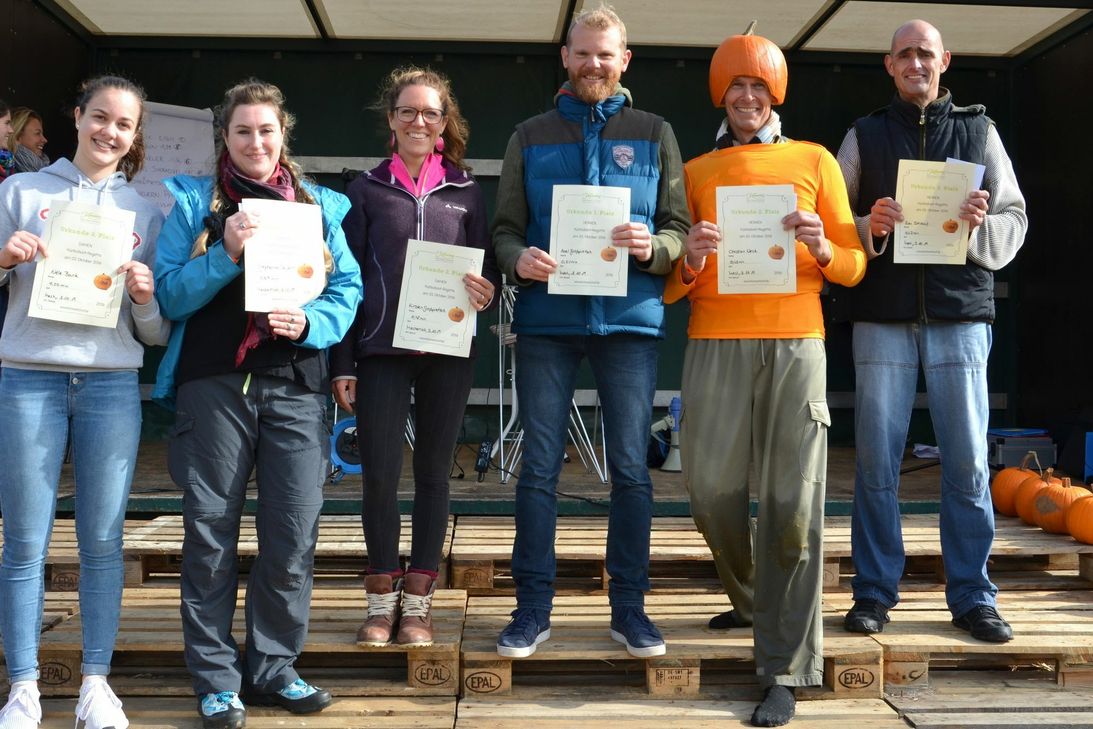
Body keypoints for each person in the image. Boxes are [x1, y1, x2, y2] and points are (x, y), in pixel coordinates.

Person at [665, 30, 866, 727]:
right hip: (714, 340)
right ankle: (755, 603)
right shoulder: (692, 171)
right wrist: (687, 259)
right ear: (720, 97)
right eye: (734, 88)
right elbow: (665, 286)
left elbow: (852, 262)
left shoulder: (812, 161)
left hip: (795, 341)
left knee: (793, 506)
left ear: (773, 94)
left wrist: (820, 245)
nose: (745, 98)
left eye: (757, 86)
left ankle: (784, 666)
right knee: (710, 490)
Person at [152, 79, 362, 729]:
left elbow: (347, 289)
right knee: (209, 534)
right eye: (242, 131)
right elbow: (167, 295)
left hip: (296, 386)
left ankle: (272, 666)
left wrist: (314, 324)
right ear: (225, 137)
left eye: (266, 130)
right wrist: (224, 253)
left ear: (282, 134)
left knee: (292, 534)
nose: (255, 142)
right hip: (213, 384)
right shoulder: (194, 204)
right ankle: (216, 679)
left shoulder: (318, 206)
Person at [491, 4, 689, 660]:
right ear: (565, 57)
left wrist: (653, 247)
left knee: (632, 470)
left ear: (624, 59)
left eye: (605, 54)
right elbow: (504, 229)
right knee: (538, 469)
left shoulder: (654, 131)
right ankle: (531, 610)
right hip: (548, 322)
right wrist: (516, 258)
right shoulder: (530, 133)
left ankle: (629, 609)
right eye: (582, 53)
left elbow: (677, 228)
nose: (593, 64)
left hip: (628, 322)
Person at [836, 20, 1027, 645]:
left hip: (960, 318)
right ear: (889, 65)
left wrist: (977, 227)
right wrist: (873, 225)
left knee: (969, 462)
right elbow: (832, 225)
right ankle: (873, 592)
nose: (916, 63)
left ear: (945, 60)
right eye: (904, 54)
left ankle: (973, 595)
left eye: (926, 53)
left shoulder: (980, 130)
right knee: (875, 466)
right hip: (882, 316)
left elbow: (1015, 216)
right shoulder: (863, 133)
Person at [0, 75, 168, 729]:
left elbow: (151, 334)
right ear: (78, 117)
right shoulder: (18, 192)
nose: (109, 132)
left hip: (109, 385)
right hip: (27, 379)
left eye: (123, 125)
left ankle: (96, 683)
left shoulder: (144, 214)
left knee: (102, 541)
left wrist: (145, 296)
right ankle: (23, 688)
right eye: (100, 117)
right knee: (24, 542)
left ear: (133, 136)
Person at [331, 67, 500, 647]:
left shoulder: (467, 192)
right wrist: (344, 361)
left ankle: (418, 607)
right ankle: (380, 602)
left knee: (433, 474)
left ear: (444, 122)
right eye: (408, 111)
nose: (419, 121)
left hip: (448, 351)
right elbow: (346, 281)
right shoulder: (366, 189)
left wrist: (487, 289)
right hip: (380, 351)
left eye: (430, 112)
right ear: (391, 120)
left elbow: (488, 271)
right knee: (378, 475)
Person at [9, 108, 49, 174]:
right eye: (37, 133)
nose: (45, 140)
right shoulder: (6, 171)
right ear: (18, 137)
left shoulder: (44, 167)